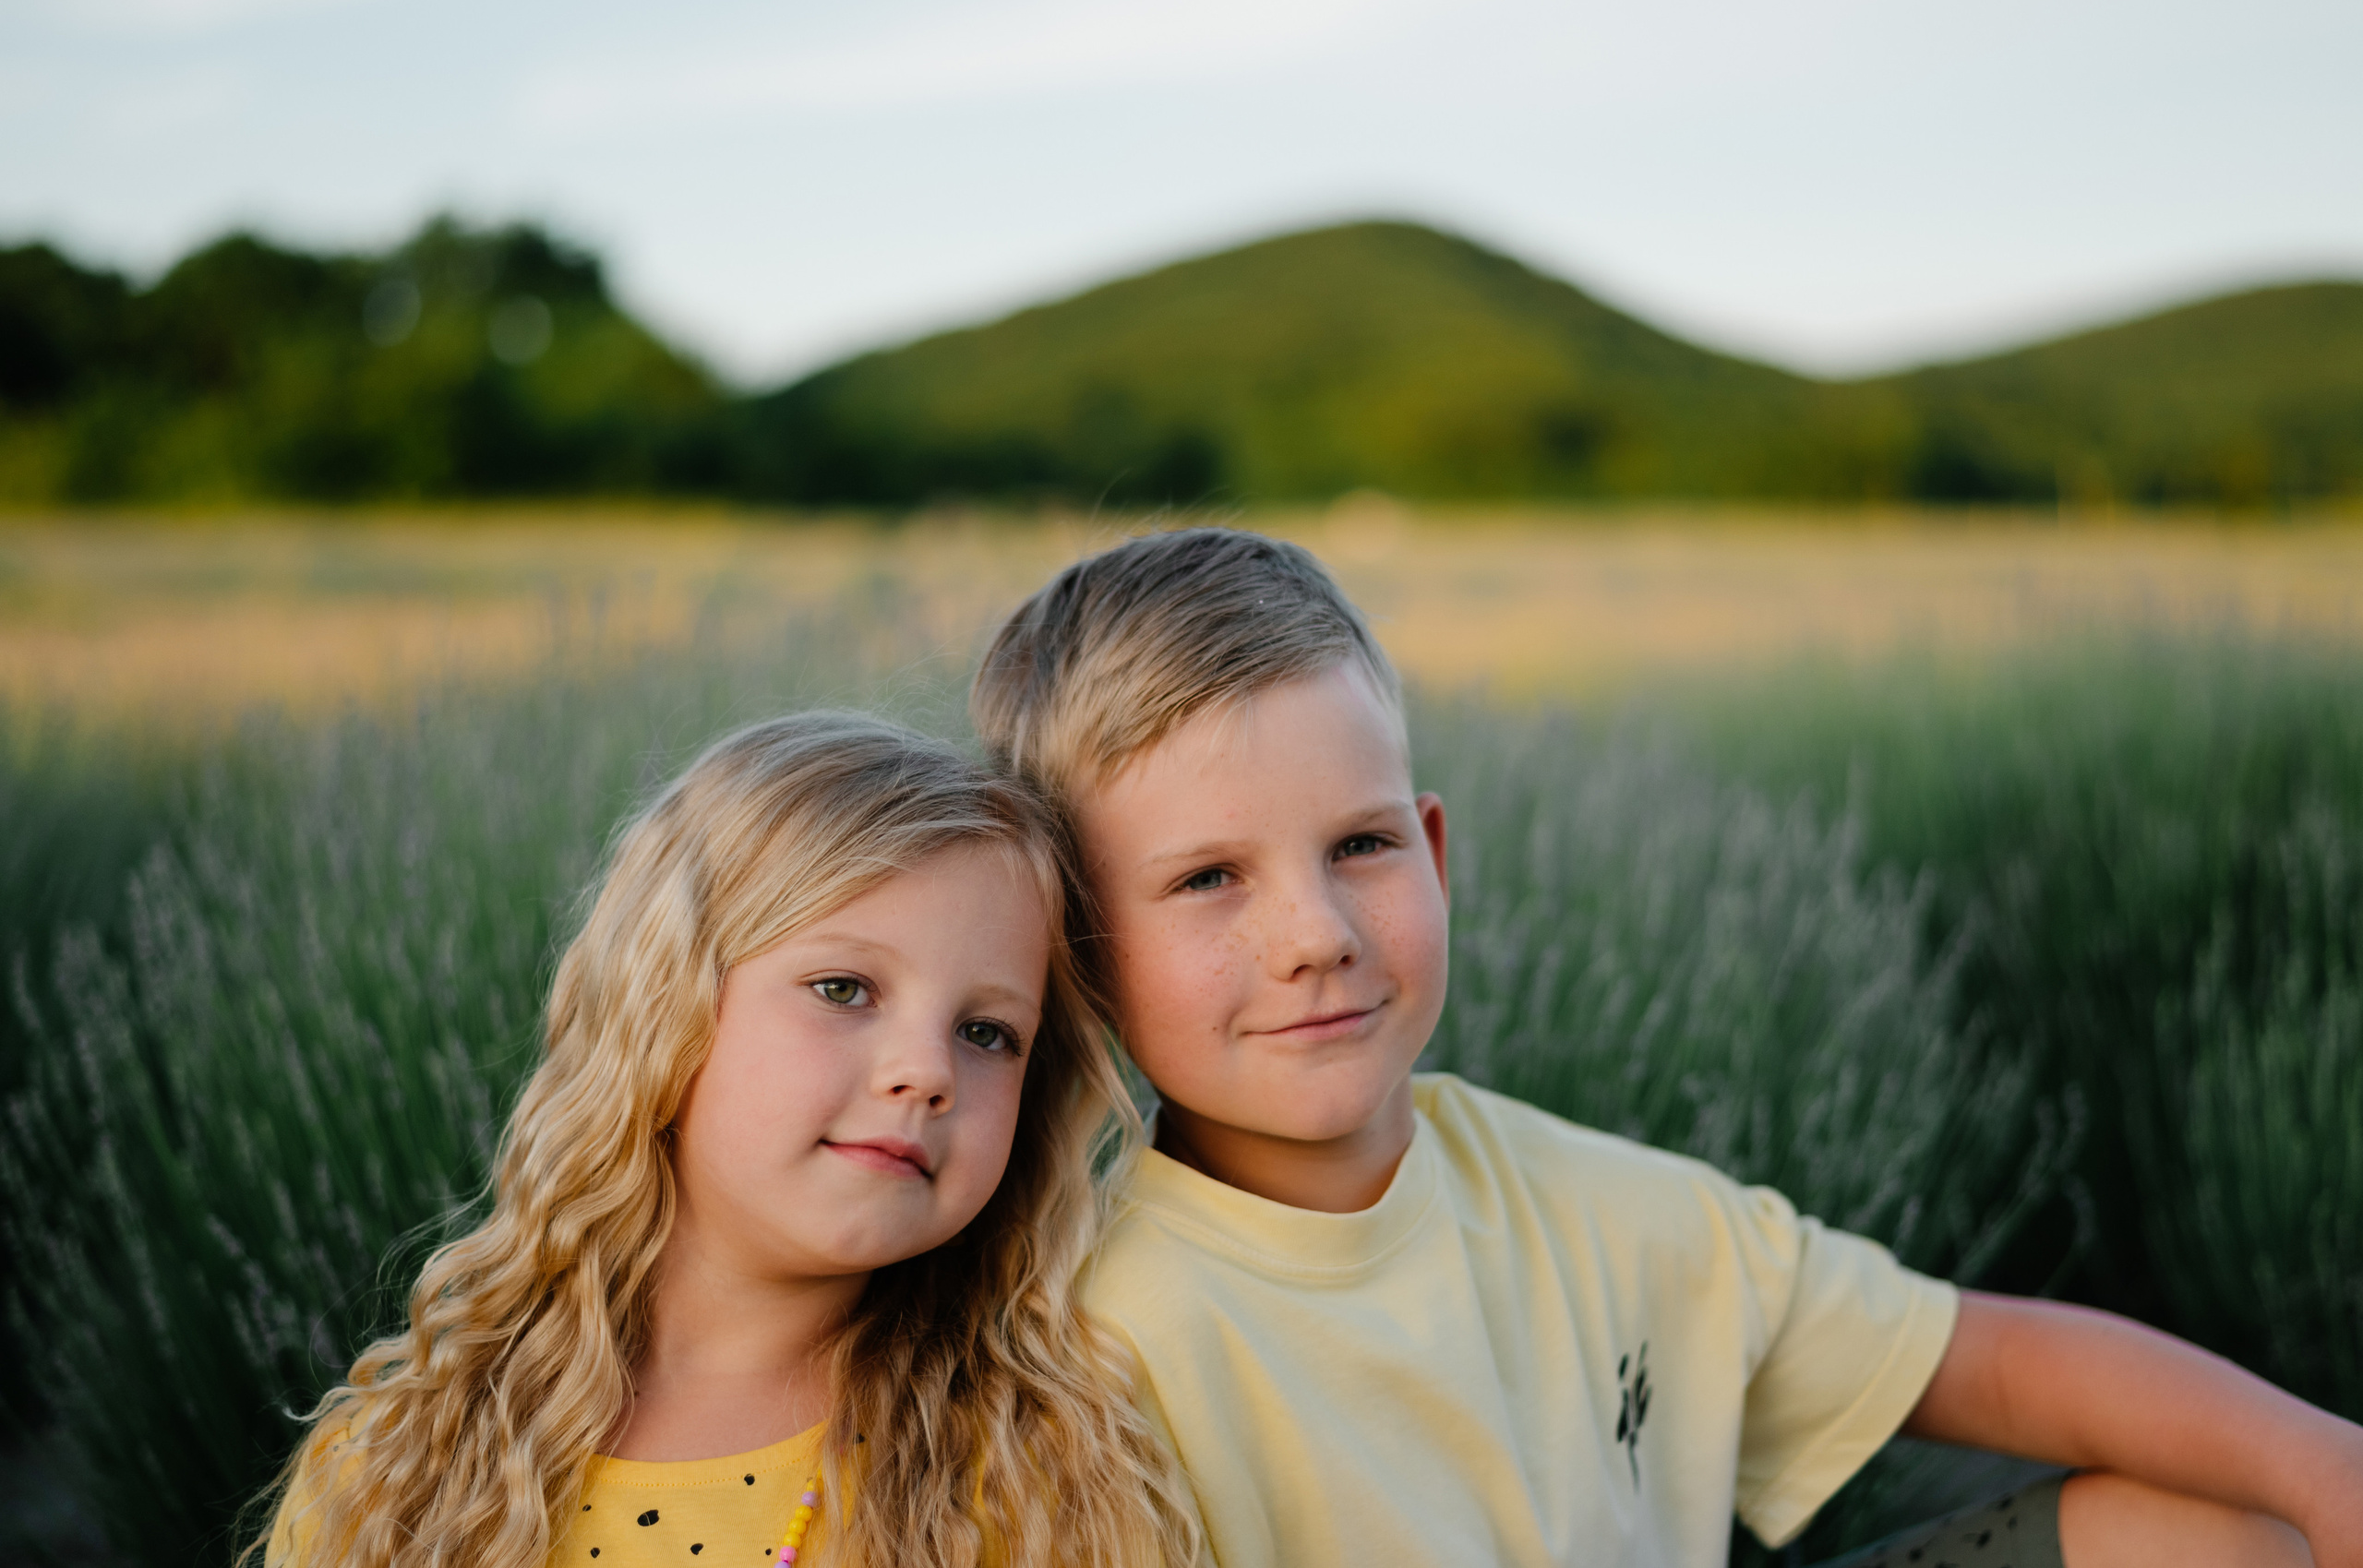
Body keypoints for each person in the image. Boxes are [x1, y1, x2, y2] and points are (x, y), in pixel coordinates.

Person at [969, 526, 2363, 1568]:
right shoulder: (1089, 1344)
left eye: (1362, 844)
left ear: (1435, 853)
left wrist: (2326, 1466)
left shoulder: (1601, 1210)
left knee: (2210, 1532)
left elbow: (1984, 1360)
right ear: (1076, 944)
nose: (1316, 932)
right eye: (1209, 879)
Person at [259, 712, 1196, 1568]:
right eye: (843, 988)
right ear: (664, 1007)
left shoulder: (1034, 1487)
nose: (928, 1070)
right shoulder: (396, 1467)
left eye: (987, 1032)